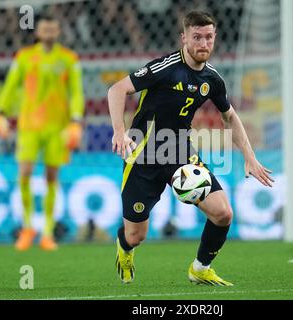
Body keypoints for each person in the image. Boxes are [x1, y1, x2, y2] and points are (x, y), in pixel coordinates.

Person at [108, 11, 273, 286]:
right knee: (136, 235)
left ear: (215, 38)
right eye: (197, 37)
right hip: (143, 156)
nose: (203, 43)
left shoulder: (212, 80)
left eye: (209, 37)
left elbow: (229, 116)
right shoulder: (165, 68)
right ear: (184, 37)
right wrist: (119, 132)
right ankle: (125, 250)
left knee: (223, 214)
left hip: (180, 153)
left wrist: (250, 157)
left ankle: (200, 268)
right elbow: (116, 90)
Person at [0, 14, 85, 251]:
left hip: (58, 127)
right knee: (24, 173)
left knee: (51, 177)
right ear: (38, 32)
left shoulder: (69, 59)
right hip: (29, 126)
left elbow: (76, 92)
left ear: (58, 31)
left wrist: (75, 120)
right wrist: (0, 112)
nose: (49, 33)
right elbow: (11, 85)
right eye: (45, 29)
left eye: (53, 29)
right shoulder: (24, 57)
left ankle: (47, 232)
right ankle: (27, 227)